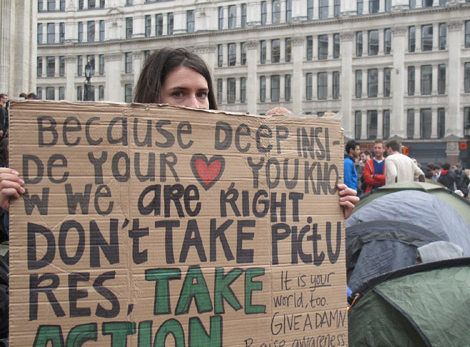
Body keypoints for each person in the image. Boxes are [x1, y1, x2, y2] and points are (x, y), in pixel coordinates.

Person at [0, 47, 360, 220]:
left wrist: (322, 213)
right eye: (179, 93)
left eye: (202, 94)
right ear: (151, 97)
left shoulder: (239, 170)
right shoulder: (110, 164)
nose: (195, 104)